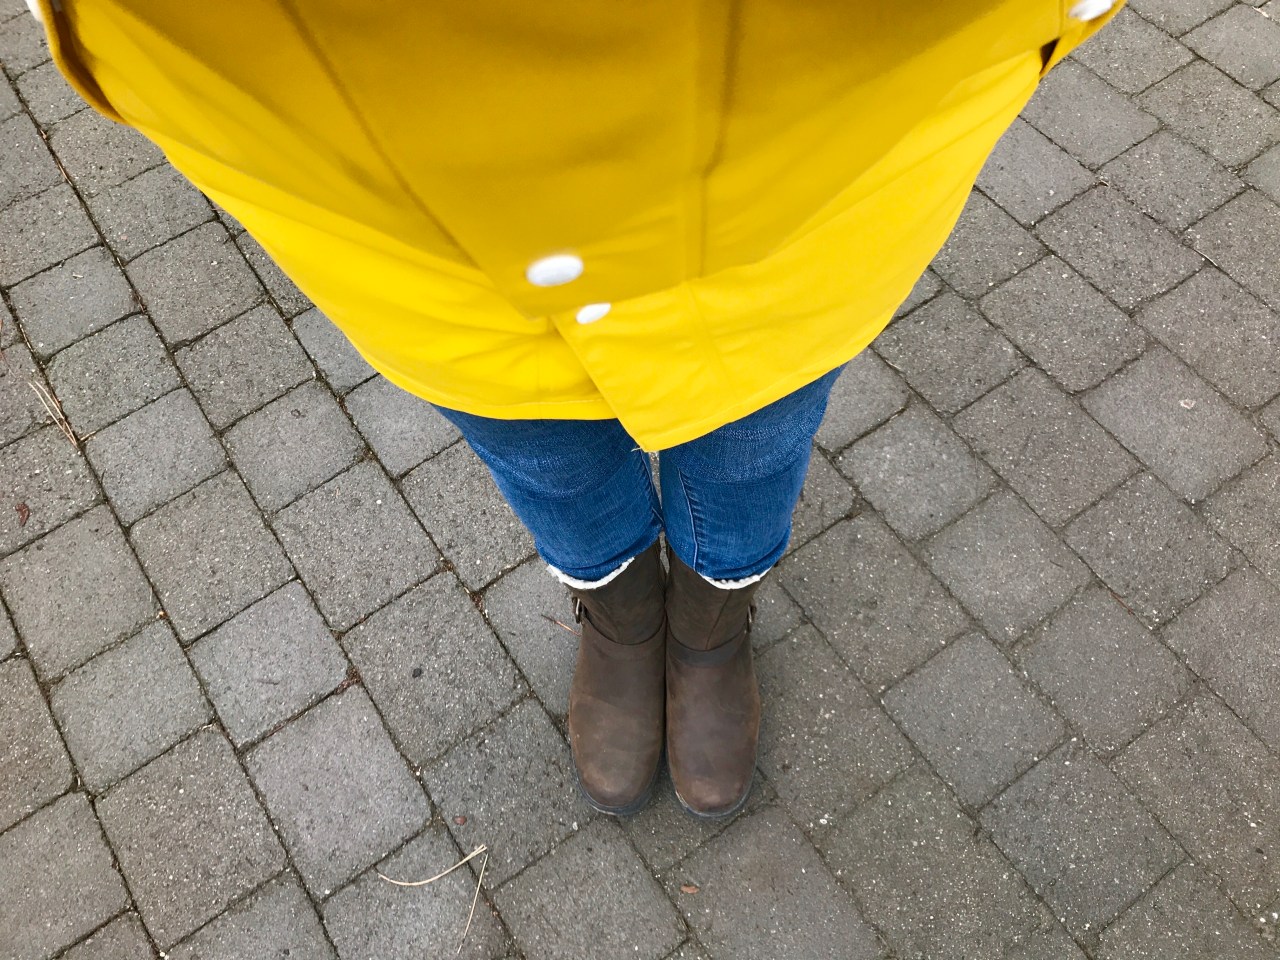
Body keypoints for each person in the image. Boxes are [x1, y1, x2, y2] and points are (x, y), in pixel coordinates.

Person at [30, 0, 1121, 818]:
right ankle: (623, 618)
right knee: (541, 453)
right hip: (377, 186)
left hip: (814, 161)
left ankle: (709, 628)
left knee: (751, 444)